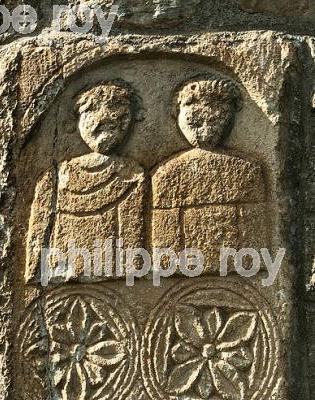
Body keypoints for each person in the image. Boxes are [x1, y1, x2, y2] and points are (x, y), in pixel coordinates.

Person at [25, 81, 145, 284]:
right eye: (91, 114)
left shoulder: (134, 174)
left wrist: (130, 269)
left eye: (118, 121)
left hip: (113, 276)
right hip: (60, 273)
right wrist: (36, 270)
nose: (105, 121)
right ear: (77, 122)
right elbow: (39, 233)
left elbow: (132, 237)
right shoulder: (53, 178)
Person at [151, 74, 268, 273]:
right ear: (176, 112)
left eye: (217, 109)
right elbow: (165, 247)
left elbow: (253, 240)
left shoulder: (248, 170)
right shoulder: (166, 174)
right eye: (192, 105)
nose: (206, 116)